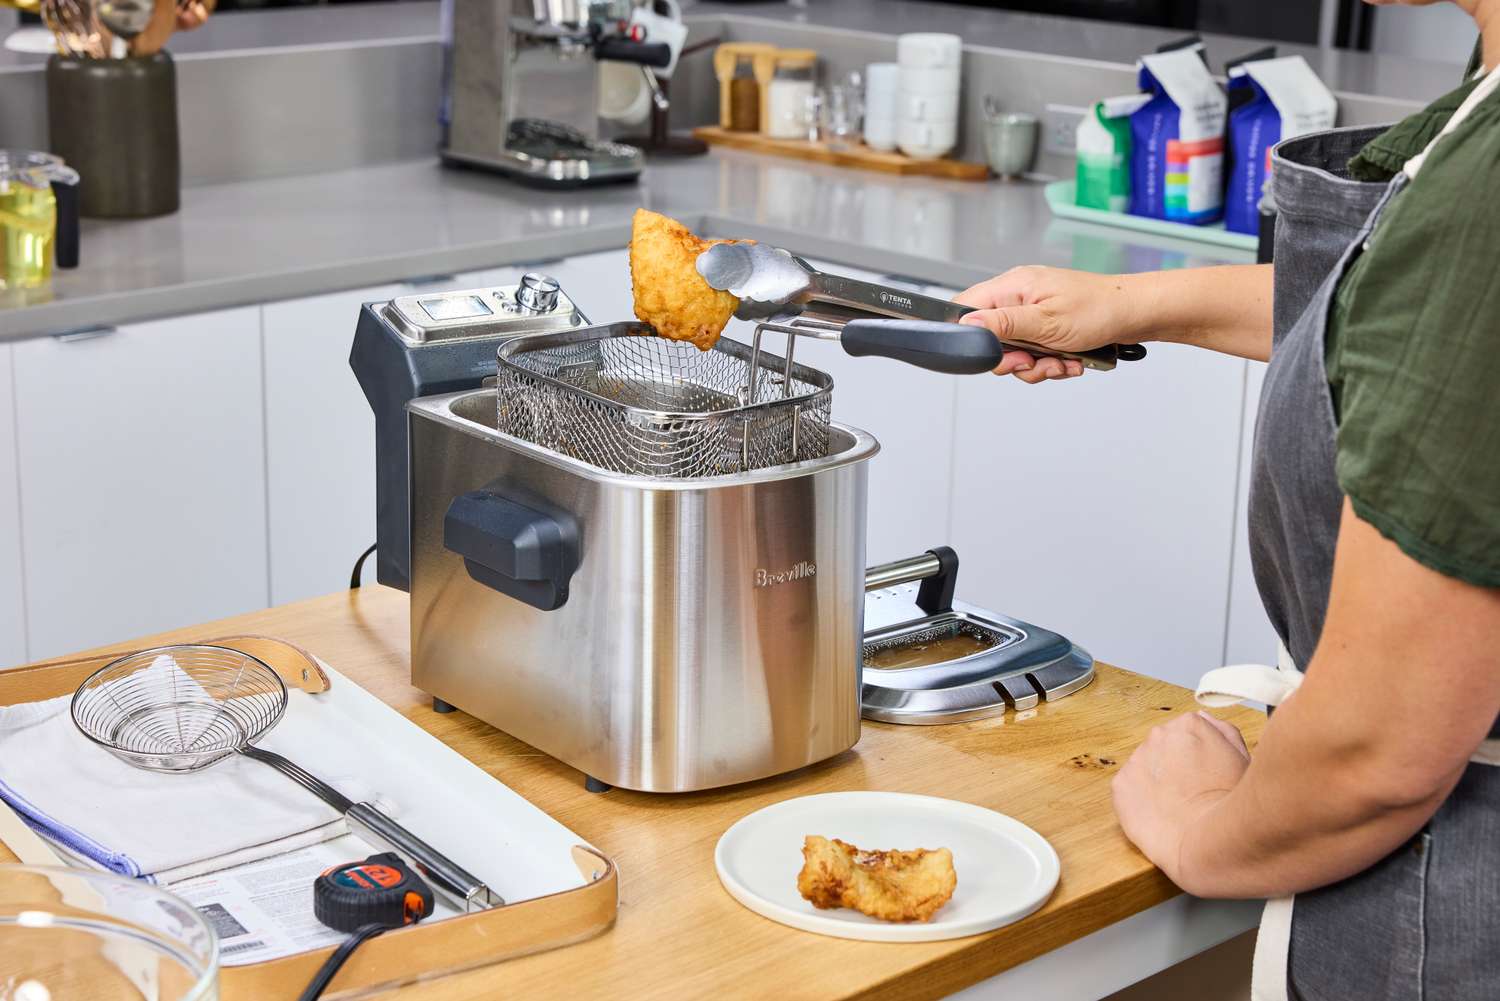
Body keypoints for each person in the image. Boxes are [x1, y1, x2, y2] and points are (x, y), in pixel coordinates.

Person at [954, 4, 1500, 999]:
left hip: (1452, 904)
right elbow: (1398, 316)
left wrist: (1201, 823)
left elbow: (1381, 744)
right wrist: (1126, 304)